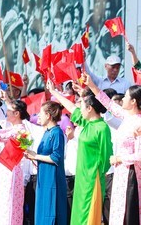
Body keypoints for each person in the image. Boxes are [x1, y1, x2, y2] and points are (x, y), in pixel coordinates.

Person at [48, 81, 112, 224]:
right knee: (78, 212)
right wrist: (54, 92)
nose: (79, 108)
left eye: (82, 106)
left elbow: (107, 156)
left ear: (89, 108)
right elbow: (71, 108)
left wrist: (96, 175)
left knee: (88, 214)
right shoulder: (87, 123)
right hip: (81, 176)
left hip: (93, 178)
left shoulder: (102, 128)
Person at [84, 73, 141, 224]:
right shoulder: (127, 117)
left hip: (132, 174)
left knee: (129, 213)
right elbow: (108, 104)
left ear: (134, 101)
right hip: (121, 173)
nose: (122, 99)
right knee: (118, 211)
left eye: (126, 96)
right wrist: (92, 86)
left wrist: (120, 158)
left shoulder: (138, 123)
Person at [25, 101, 68, 225]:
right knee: (42, 210)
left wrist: (36, 156)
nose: (38, 116)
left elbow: (56, 157)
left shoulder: (56, 132)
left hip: (52, 178)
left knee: (51, 209)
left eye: (41, 113)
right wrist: (31, 155)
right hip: (43, 177)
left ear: (48, 115)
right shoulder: (47, 132)